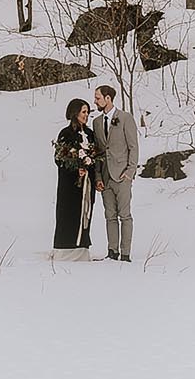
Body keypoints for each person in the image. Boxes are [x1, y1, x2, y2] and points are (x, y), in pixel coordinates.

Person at [90, 84, 138, 262]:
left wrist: (130, 172)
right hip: (105, 176)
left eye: (98, 98)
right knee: (109, 216)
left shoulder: (125, 118)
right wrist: (98, 177)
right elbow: (98, 152)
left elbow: (133, 146)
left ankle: (125, 254)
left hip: (122, 175)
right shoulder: (96, 122)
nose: (95, 101)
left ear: (108, 98)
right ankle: (112, 252)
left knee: (125, 215)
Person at [52, 98, 97, 256]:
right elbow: (59, 158)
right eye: (84, 112)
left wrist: (89, 167)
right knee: (68, 213)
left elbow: (95, 157)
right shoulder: (65, 133)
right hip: (70, 185)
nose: (86, 115)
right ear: (75, 113)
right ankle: (65, 249)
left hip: (87, 183)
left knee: (85, 212)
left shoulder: (90, 134)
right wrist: (75, 169)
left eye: (87, 112)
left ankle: (82, 247)